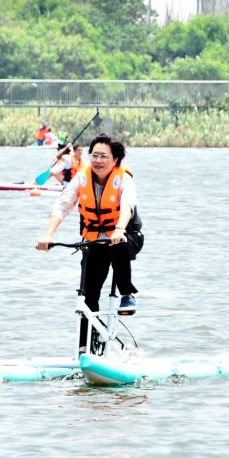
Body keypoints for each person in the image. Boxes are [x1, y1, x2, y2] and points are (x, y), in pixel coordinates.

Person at [37, 134, 144, 352]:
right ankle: (83, 350)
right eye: (94, 155)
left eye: (103, 156)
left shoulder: (124, 179)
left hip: (126, 237)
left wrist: (119, 229)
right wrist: (48, 235)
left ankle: (126, 295)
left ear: (115, 160)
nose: (98, 160)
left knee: (119, 244)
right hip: (95, 241)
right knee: (88, 298)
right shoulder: (82, 178)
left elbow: (126, 207)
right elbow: (63, 205)